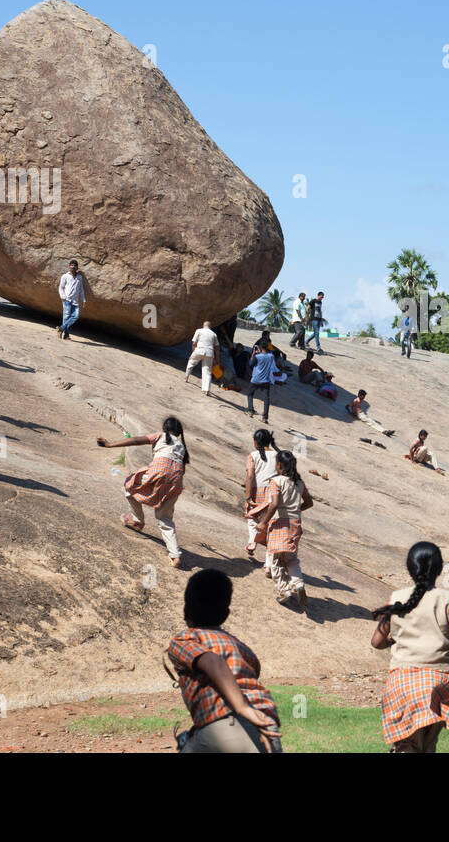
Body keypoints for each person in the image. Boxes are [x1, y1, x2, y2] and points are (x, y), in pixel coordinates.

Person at [371, 542, 449, 753]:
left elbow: (376, 642)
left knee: (406, 744)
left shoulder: (396, 598)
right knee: (428, 745)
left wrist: (393, 641)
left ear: (409, 569)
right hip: (436, 684)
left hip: (401, 683)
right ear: (439, 570)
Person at [167, 569, 282, 753]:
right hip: (266, 727)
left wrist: (242, 707)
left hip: (225, 727)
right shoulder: (241, 647)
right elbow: (254, 670)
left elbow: (213, 661)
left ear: (185, 610)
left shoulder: (185, 640)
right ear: (226, 613)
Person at [98, 416, 189, 567]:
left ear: (164, 428)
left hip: (158, 472)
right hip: (176, 482)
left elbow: (135, 440)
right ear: (179, 432)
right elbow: (181, 470)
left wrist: (110, 445)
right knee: (165, 518)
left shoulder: (160, 436)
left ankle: (138, 521)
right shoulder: (182, 446)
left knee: (129, 486)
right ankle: (175, 556)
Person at [250, 450, 314, 607]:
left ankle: (284, 591)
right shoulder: (299, 483)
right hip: (295, 524)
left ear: (278, 465)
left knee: (276, 561)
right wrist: (296, 510)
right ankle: (298, 584)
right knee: (291, 559)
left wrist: (263, 522)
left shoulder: (276, 481)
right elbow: (309, 503)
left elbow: (274, 503)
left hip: (280, 524)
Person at [242, 429, 280, 559]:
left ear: (256, 442)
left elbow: (250, 476)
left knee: (252, 518)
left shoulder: (253, 455)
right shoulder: (278, 455)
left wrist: (248, 496)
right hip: (274, 492)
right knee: (269, 524)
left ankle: (252, 541)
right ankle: (269, 563)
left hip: (257, 490)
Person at [184, 320, 220, 396]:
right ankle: (206, 390)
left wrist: (193, 352)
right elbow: (217, 347)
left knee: (191, 362)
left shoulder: (199, 331)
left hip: (199, 350)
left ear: (203, 325)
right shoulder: (214, 334)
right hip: (210, 353)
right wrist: (217, 358)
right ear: (210, 327)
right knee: (207, 371)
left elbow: (194, 343)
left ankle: (186, 377)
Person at [245, 344, 274, 422]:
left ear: (260, 348)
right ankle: (265, 417)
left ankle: (250, 411)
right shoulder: (271, 356)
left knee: (250, 394)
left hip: (256, 379)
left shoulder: (257, 357)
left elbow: (250, 364)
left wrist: (253, 354)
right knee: (266, 399)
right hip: (266, 381)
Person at [57, 260, 85, 340]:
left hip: (75, 301)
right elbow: (61, 287)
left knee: (76, 316)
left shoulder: (79, 277)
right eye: (71, 265)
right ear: (69, 266)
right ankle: (66, 336)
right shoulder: (65, 276)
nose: (73, 267)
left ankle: (61, 328)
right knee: (66, 317)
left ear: (77, 267)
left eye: (74, 265)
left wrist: (83, 300)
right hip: (67, 300)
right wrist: (63, 297)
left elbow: (81, 289)